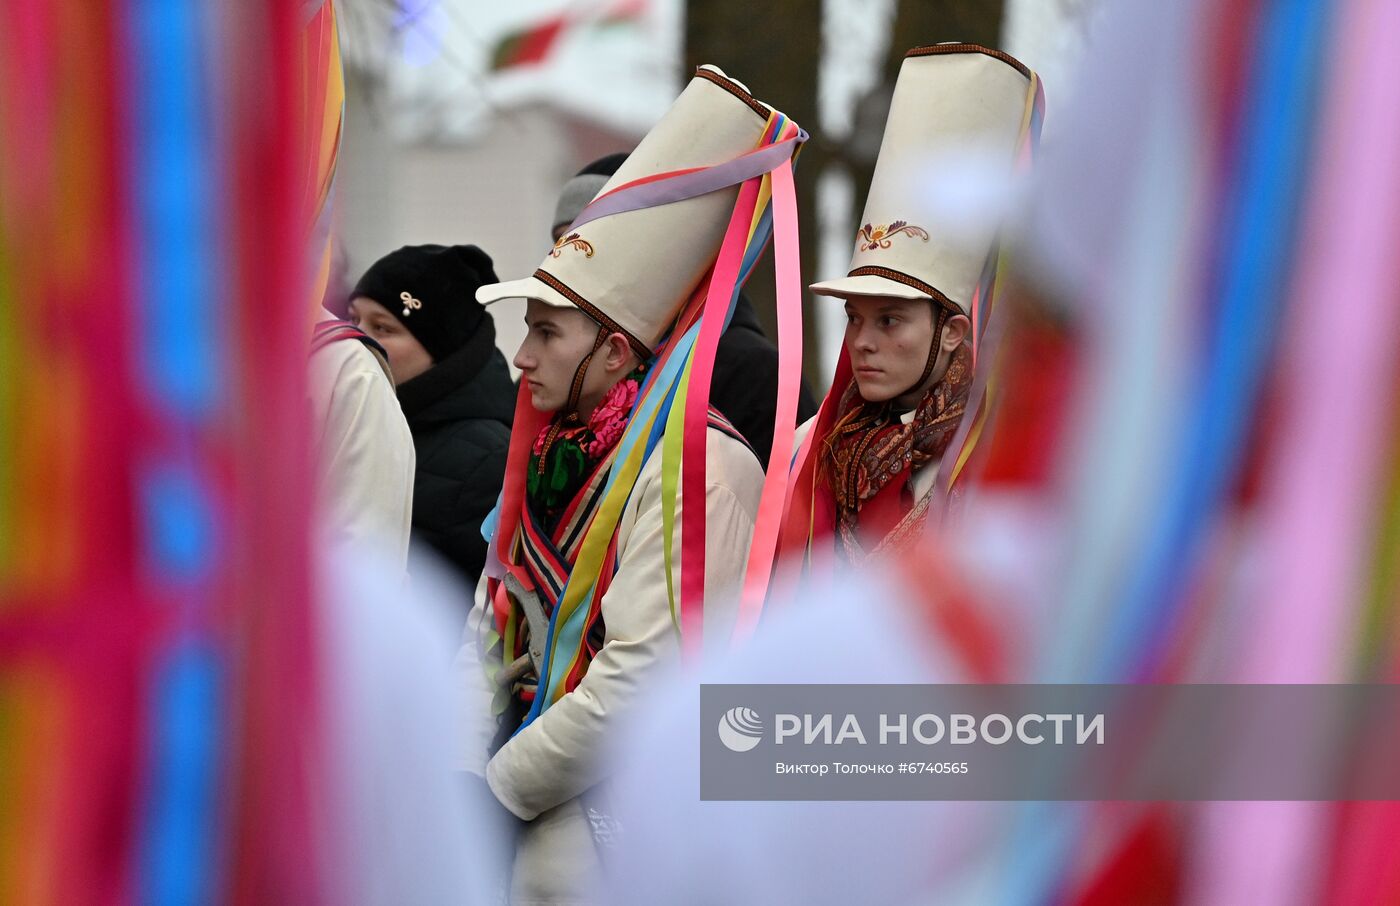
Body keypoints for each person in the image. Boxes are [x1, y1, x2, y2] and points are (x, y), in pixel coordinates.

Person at [458, 65, 800, 903]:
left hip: (622, 823)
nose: (522, 355)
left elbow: (641, 683)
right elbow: (487, 629)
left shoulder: (703, 466)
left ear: (616, 353)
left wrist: (498, 790)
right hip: (516, 796)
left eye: (546, 332)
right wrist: (459, 770)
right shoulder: (548, 452)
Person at [781, 44, 1043, 565]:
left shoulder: (991, 458)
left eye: (890, 319)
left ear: (953, 332)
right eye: (854, 318)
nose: (861, 341)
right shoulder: (808, 447)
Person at [552, 155, 818, 467]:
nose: (563, 265)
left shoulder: (755, 373)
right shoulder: (561, 362)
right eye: (558, 246)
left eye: (586, 246)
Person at [348, 244, 514, 588]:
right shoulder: (358, 419)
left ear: (443, 351)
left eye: (383, 328)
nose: (357, 339)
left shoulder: (487, 459)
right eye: (353, 319)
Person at [308, 306, 416, 571]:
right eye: (354, 316)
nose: (364, 331)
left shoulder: (351, 371)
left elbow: (363, 560)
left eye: (383, 327)